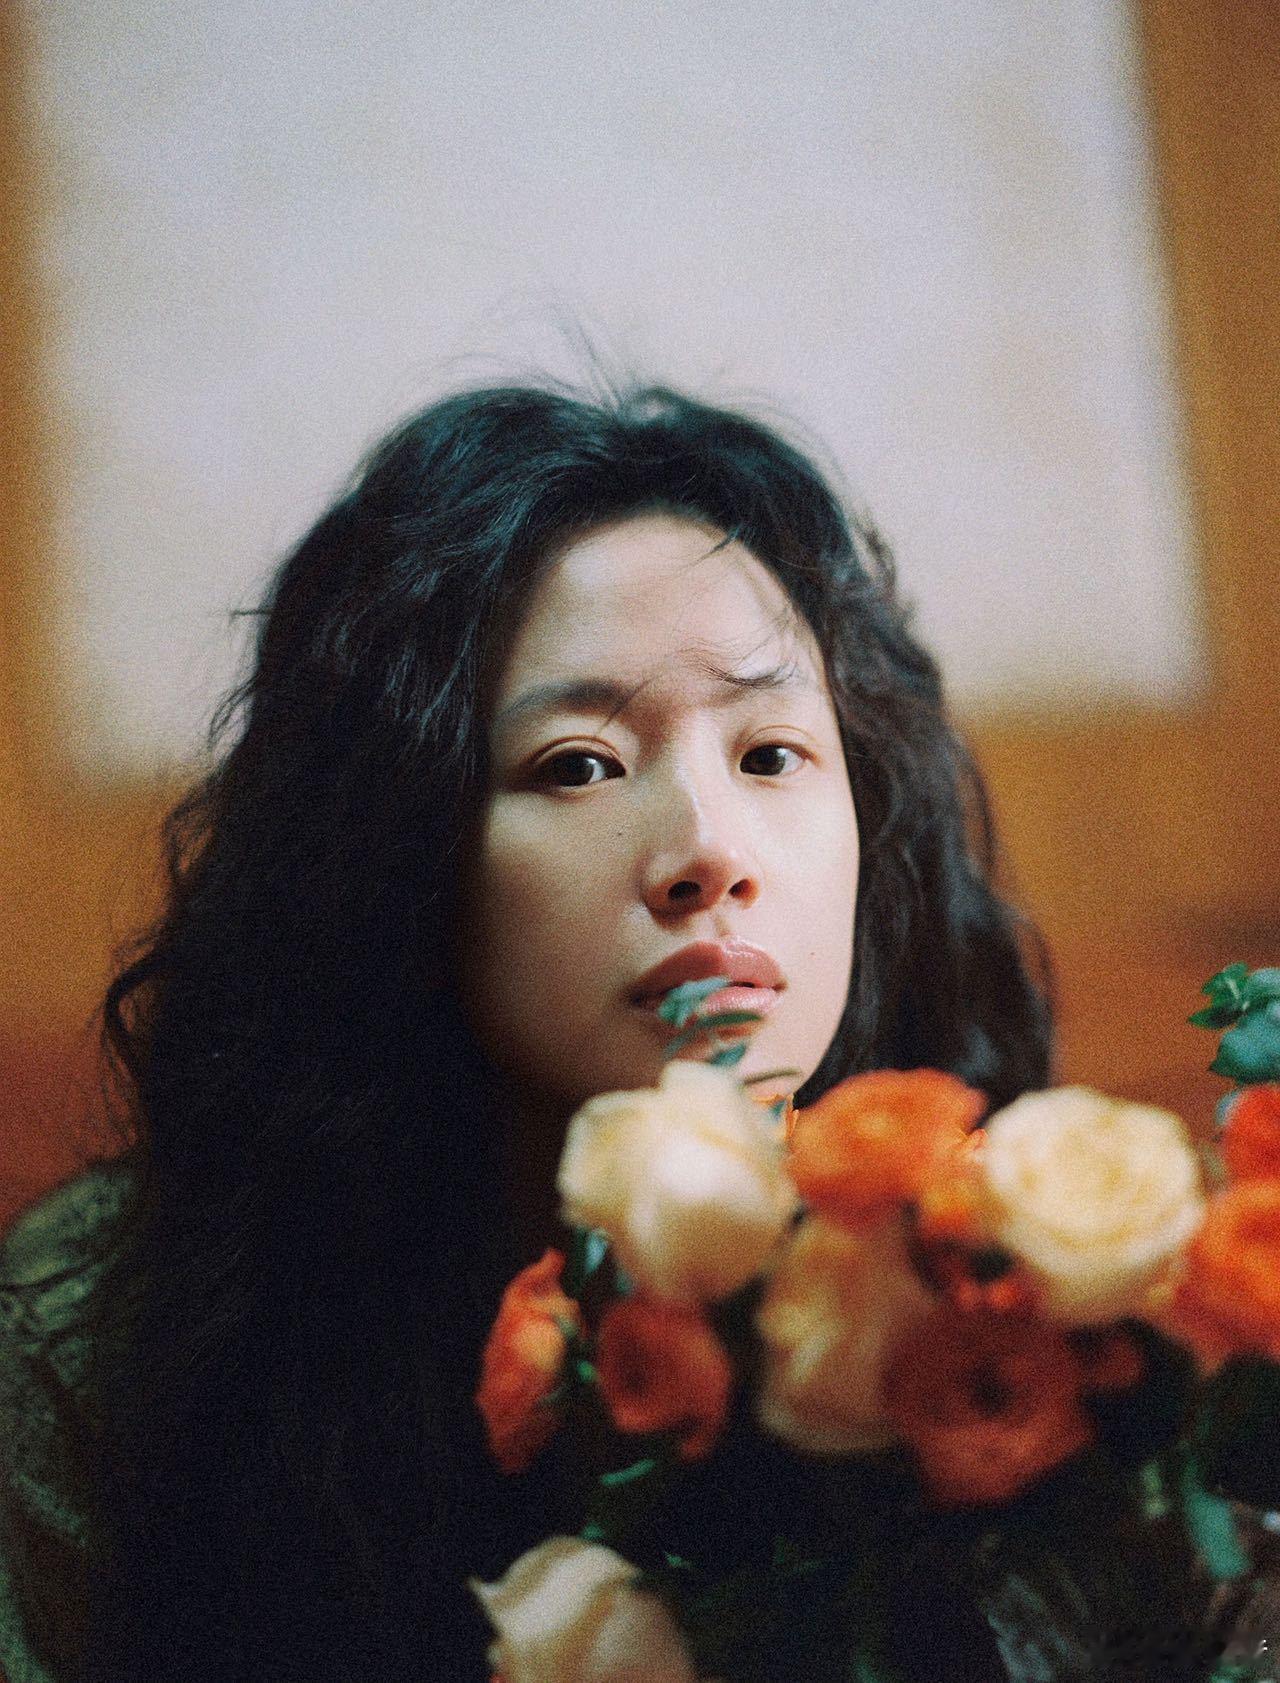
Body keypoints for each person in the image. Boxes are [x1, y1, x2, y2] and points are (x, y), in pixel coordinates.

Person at [0, 378, 1063, 1683]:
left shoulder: (1007, 1301)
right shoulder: (106, 1336)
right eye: (580, 765)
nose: (708, 851)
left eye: (771, 754)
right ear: (399, 844)